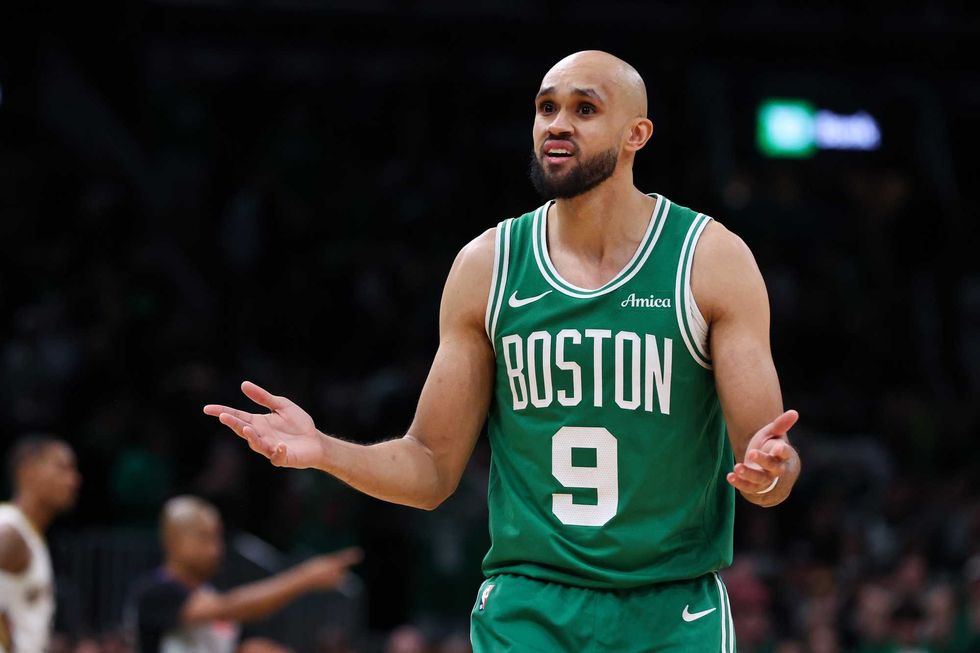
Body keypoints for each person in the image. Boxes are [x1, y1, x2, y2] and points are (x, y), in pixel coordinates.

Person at [204, 50, 803, 651]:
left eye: (585, 108)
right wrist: (323, 451)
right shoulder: (488, 266)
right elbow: (431, 468)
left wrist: (770, 476)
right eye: (547, 107)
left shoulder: (709, 260)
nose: (557, 124)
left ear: (636, 134)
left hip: (671, 606)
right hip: (529, 606)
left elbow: (768, 465)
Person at [131, 495, 362, 653]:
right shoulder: (155, 592)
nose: (216, 549)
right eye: (204, 537)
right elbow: (230, 606)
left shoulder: (208, 593)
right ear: (173, 539)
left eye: (217, 537)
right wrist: (305, 577)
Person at [0, 435, 82, 653]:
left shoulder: (28, 533)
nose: (73, 480)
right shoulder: (11, 533)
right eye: (62, 468)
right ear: (27, 471)